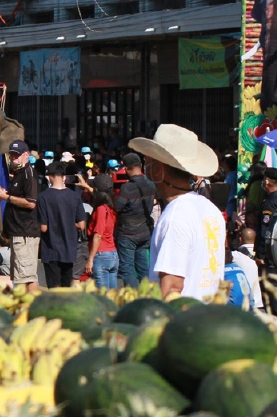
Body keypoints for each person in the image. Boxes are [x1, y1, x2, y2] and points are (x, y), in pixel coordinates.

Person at [129, 123, 226, 299]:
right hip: (210, 317)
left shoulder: (175, 216)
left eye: (148, 162)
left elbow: (172, 287)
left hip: (183, 321)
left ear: (158, 169)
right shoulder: (210, 209)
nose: (145, 167)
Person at [37, 161, 87, 288]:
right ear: (64, 177)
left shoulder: (43, 197)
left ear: (49, 177)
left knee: (54, 289)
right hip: (69, 249)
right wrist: (69, 223)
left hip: (51, 250)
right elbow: (82, 225)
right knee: (66, 288)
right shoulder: (75, 196)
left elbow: (43, 228)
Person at [113, 152, 157, 288]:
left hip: (128, 233)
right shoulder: (150, 184)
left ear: (126, 169)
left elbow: (117, 206)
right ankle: (147, 295)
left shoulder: (127, 187)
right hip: (144, 232)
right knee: (144, 268)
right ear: (141, 165)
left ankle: (132, 298)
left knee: (127, 269)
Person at [2, 140, 40, 290]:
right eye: (11, 155)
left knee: (27, 277)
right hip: (17, 232)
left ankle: (30, 308)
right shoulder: (18, 173)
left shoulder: (29, 173)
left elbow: (31, 202)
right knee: (20, 276)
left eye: (16, 155)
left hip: (25, 233)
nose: (13, 158)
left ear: (27, 155)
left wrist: (8, 198)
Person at [84, 174, 118, 289]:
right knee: (112, 296)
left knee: (102, 297)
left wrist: (90, 259)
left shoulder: (101, 209)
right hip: (112, 253)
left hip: (101, 254)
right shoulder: (111, 207)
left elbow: (98, 235)